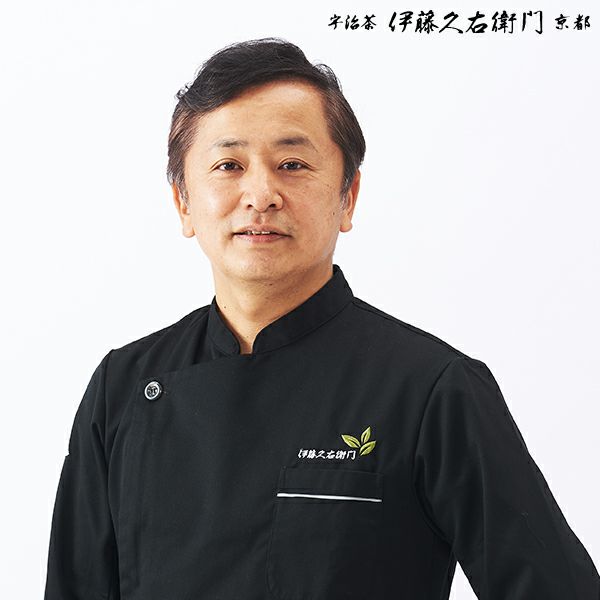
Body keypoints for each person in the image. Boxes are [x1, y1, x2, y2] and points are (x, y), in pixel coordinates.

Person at [43, 37, 599, 600]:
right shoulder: (122, 388)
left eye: (292, 164)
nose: (261, 194)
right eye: (229, 165)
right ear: (183, 202)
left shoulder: (432, 389)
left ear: (348, 195)